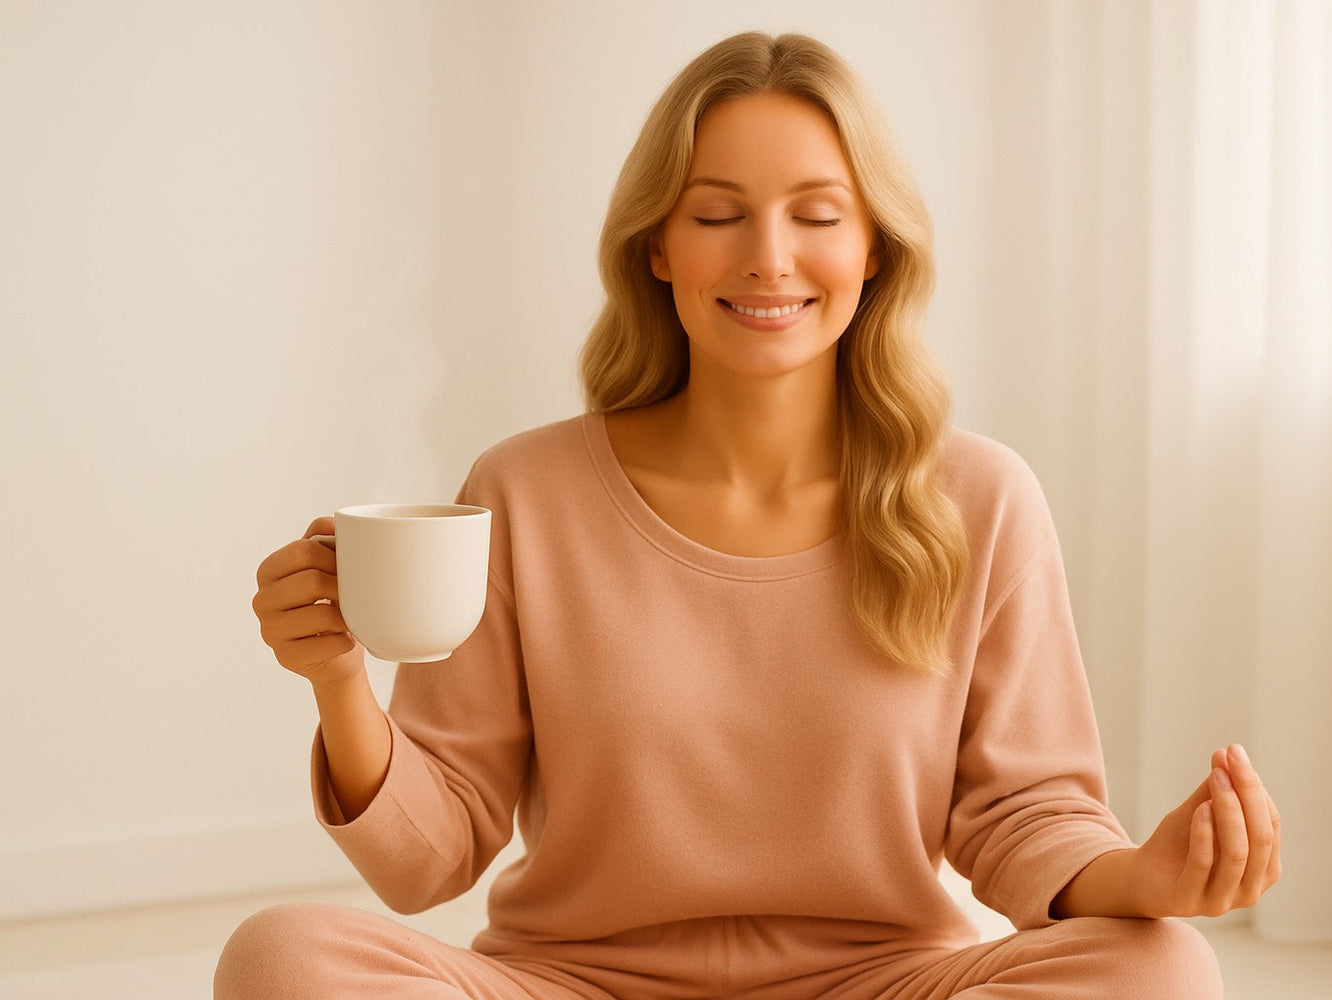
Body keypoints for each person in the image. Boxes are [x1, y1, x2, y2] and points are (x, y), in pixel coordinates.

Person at [220, 31, 1278, 1000]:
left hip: (887, 980)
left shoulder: (981, 498)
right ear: (657, 248)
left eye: (816, 215)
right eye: (717, 214)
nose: (767, 255)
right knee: (284, 958)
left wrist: (1143, 874)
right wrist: (338, 681)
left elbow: (1024, 819)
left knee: (1161, 968)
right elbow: (426, 860)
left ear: (874, 249)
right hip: (574, 982)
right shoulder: (525, 492)